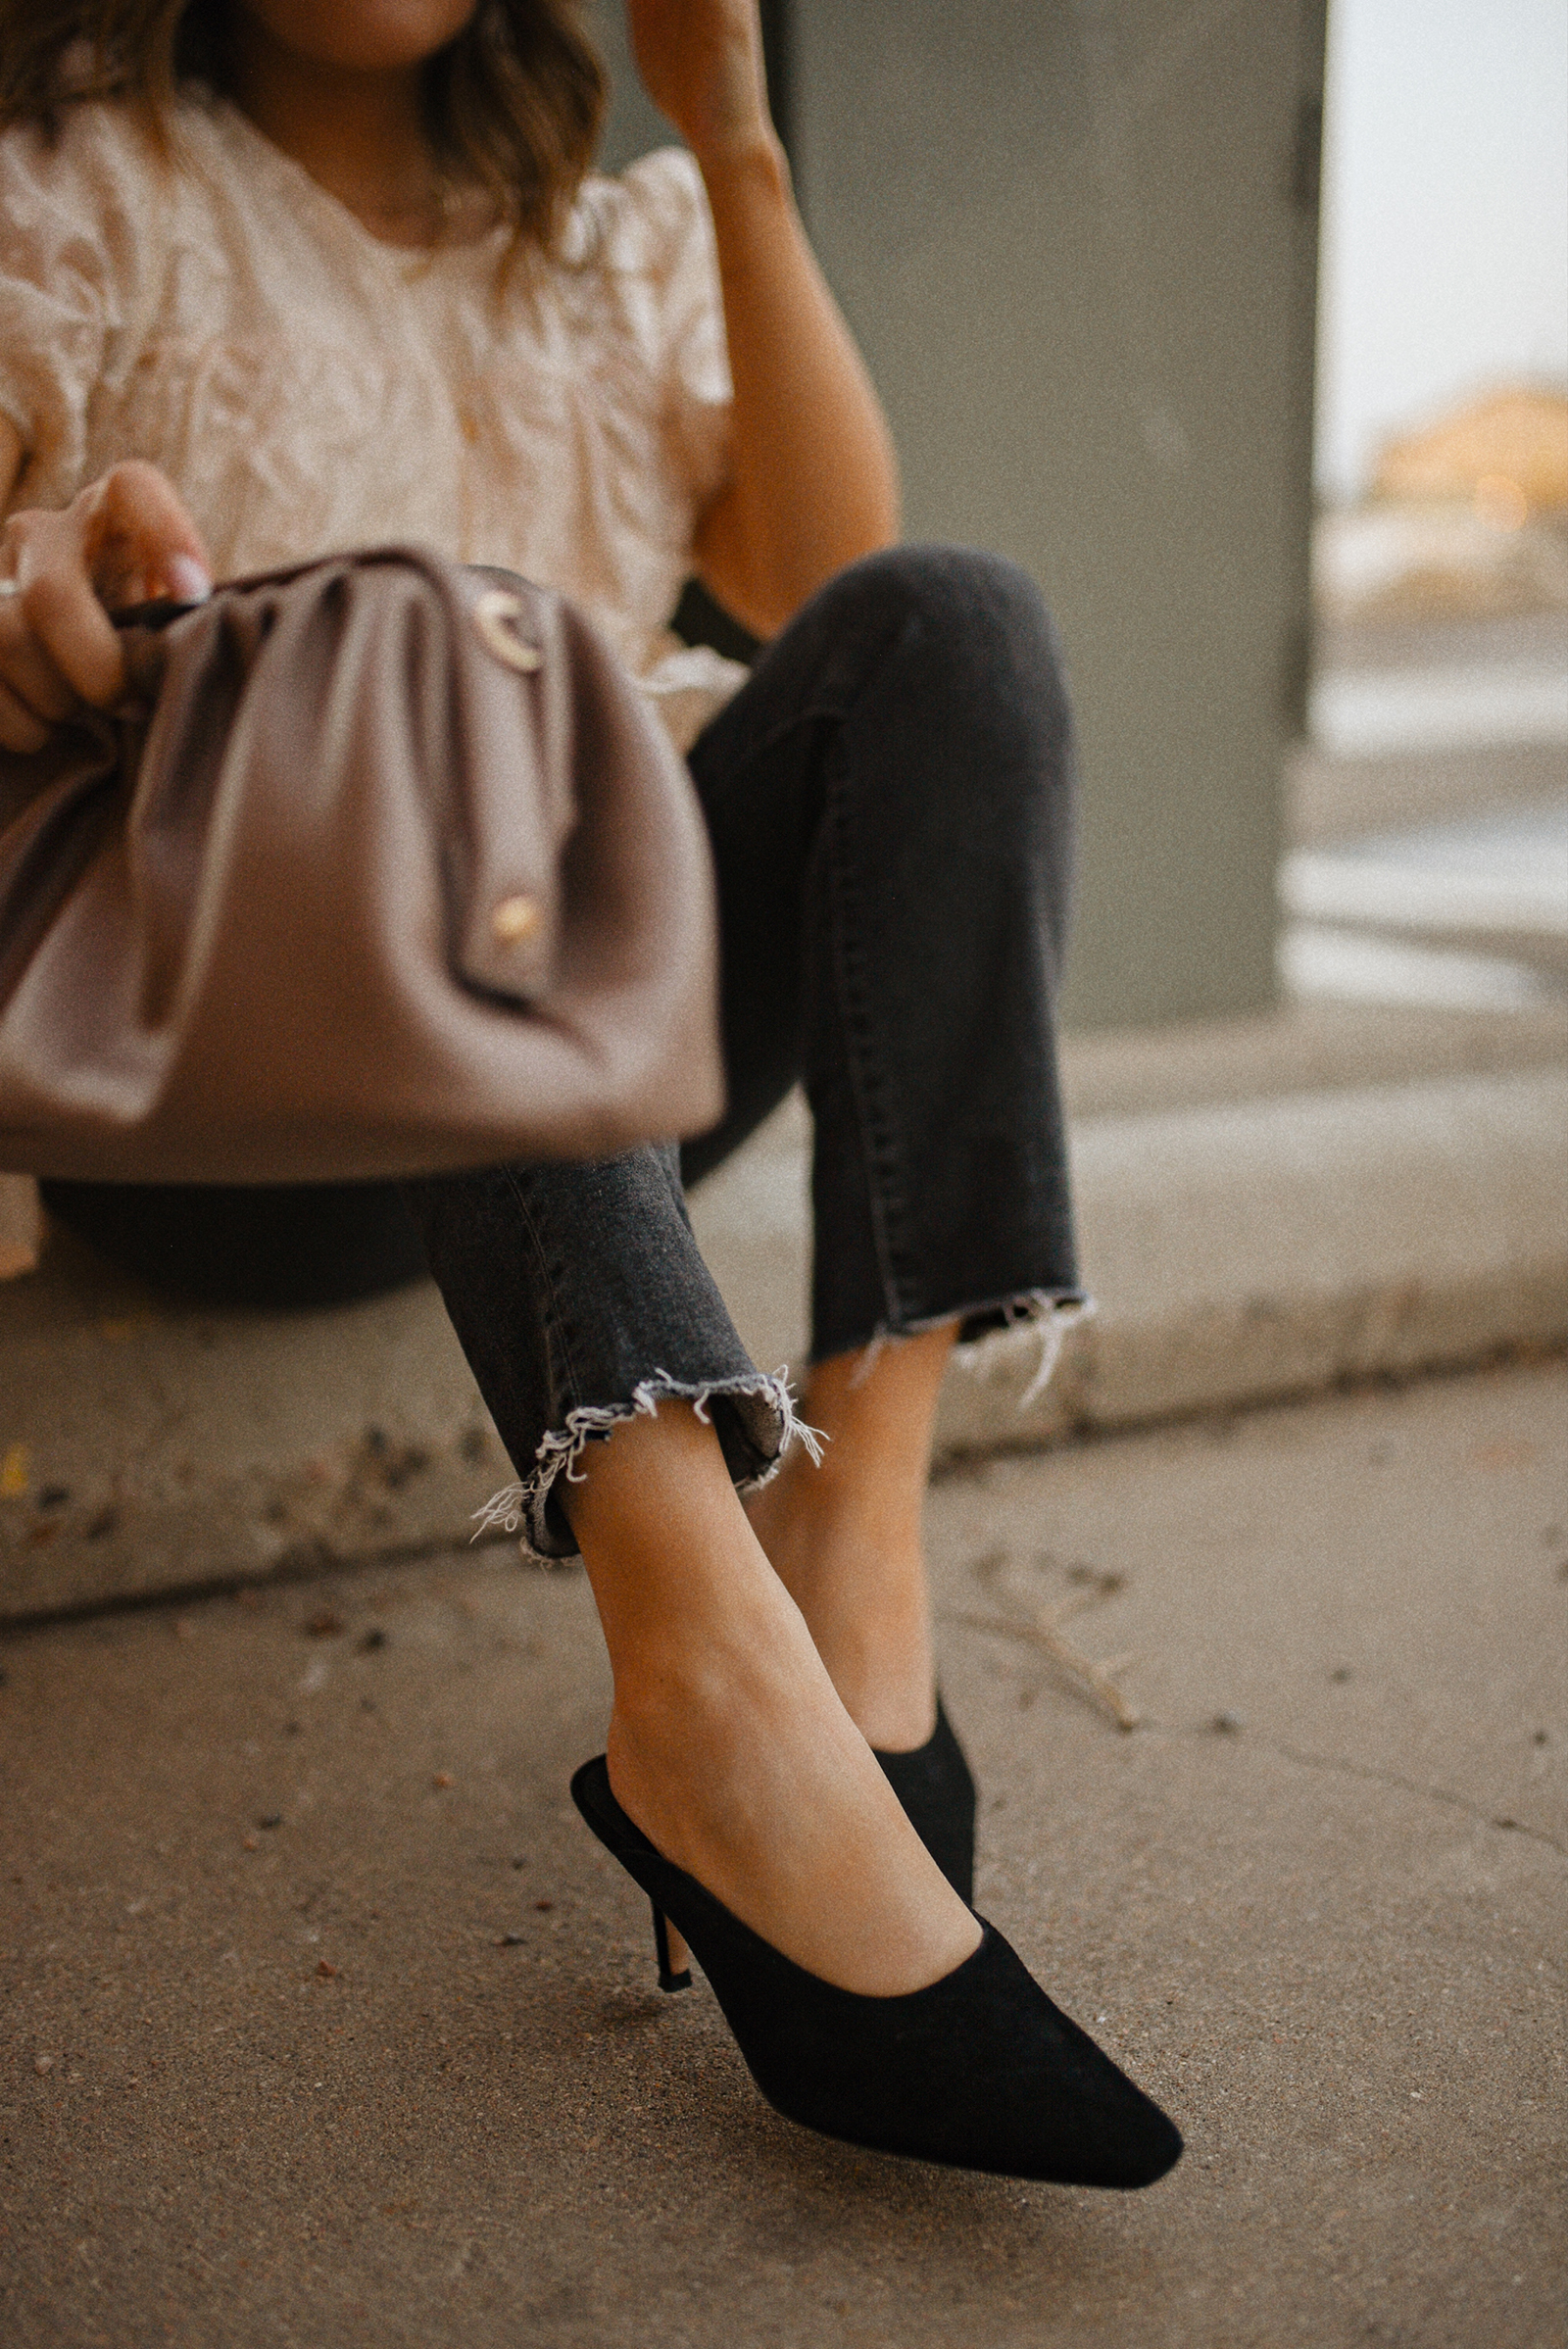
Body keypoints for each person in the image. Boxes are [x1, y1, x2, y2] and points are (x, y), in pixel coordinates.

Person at [0, 0, 1180, 2183]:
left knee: (952, 626)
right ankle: (701, 1696)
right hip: (226, 1082)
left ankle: (853, 1527)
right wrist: (40, 588)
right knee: (456, 681)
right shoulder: (81, 189)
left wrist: (729, 135)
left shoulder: (614, 237)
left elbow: (819, 583)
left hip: (595, 1048)